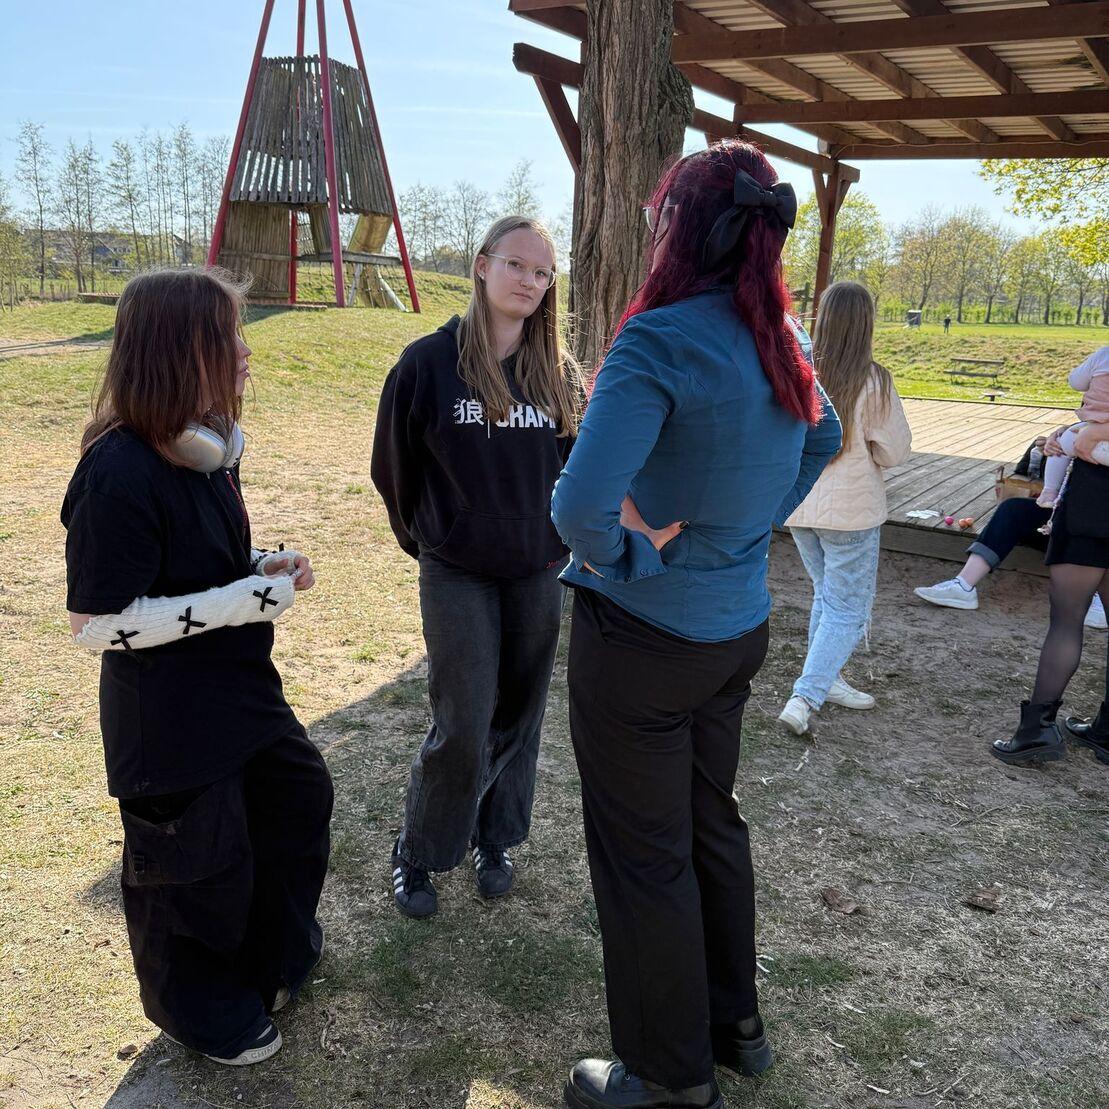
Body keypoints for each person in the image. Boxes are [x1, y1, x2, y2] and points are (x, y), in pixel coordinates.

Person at [551, 140, 841, 1109]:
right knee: (707, 818)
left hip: (641, 639)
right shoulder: (776, 336)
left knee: (644, 852)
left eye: (657, 216)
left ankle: (669, 1074)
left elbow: (576, 505)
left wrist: (632, 554)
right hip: (733, 630)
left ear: (682, 227)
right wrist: (747, 524)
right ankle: (735, 1025)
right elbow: (825, 432)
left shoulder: (660, 338)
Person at [61, 268, 333, 1066]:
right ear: (180, 350)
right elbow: (95, 623)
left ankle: (269, 963)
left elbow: (191, 569)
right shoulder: (115, 473)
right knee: (192, 867)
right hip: (168, 718)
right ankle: (201, 1011)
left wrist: (261, 563)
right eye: (230, 339)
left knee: (295, 801)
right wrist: (247, 599)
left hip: (242, 694)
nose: (247, 355)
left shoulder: (206, 449)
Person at [371, 216, 582, 919]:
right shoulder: (427, 364)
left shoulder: (556, 371)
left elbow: (577, 469)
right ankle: (421, 848)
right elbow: (393, 468)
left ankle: (496, 837)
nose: (529, 280)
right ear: (482, 266)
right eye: (516, 265)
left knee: (520, 712)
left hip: (535, 569)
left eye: (542, 272)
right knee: (463, 715)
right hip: (457, 570)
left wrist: (555, 543)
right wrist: (432, 540)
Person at [777, 281, 912, 736]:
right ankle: (806, 695)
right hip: (850, 511)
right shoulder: (873, 380)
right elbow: (894, 450)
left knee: (828, 597)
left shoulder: (798, 371)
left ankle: (827, 679)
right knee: (847, 608)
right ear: (866, 323)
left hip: (802, 506)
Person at [992, 419, 1109, 766]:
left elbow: (1089, 433)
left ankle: (1034, 733)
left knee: (1067, 620)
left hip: (1095, 500)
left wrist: (1072, 435)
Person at [914, 436, 1107, 629]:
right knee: (1013, 510)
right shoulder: (1082, 428)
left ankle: (1101, 596)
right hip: (1069, 517)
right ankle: (963, 586)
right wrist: (1053, 446)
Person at [1037, 347, 1109, 509]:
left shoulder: (1103, 355)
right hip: (1090, 444)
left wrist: (1094, 432)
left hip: (1085, 442)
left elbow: (1076, 382)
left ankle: (1049, 492)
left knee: (1063, 443)